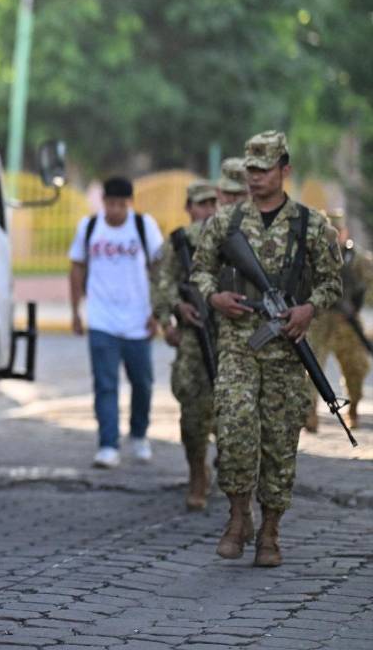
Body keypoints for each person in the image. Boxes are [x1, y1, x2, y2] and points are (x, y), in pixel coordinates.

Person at [191, 131, 341, 567]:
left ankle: (271, 530)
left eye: (263, 169)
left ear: (285, 170)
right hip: (238, 346)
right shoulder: (227, 222)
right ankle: (239, 518)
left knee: (279, 444)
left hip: (286, 352)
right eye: (250, 169)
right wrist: (215, 297)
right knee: (235, 429)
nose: (254, 177)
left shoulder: (311, 225)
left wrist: (309, 309)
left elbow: (332, 283)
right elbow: (200, 272)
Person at [69, 176, 164, 468]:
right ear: (104, 202)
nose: (116, 210)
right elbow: (76, 268)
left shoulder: (143, 226)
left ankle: (138, 435)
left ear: (130, 203)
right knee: (105, 384)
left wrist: (157, 312)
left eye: (122, 204)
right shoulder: (89, 228)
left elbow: (160, 268)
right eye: (111, 203)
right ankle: (108, 444)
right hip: (102, 319)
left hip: (138, 319)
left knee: (143, 383)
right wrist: (76, 311)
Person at [153, 180, 219, 510]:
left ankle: (236, 472)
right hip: (195, 337)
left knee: (233, 414)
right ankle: (197, 472)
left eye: (213, 204)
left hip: (233, 337)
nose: (207, 211)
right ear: (189, 208)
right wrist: (172, 315)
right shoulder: (180, 243)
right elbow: (163, 283)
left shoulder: (232, 239)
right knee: (193, 413)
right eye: (200, 204)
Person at [305, 209, 372, 431]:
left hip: (347, 322)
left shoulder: (358, 260)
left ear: (344, 232)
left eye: (337, 231)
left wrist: (356, 308)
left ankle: (352, 408)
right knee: (311, 367)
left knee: (357, 368)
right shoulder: (309, 257)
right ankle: (310, 411)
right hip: (320, 320)